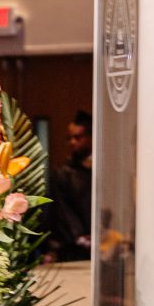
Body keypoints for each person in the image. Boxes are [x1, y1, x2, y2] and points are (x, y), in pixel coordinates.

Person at [45, 111, 92, 263]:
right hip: (73, 248)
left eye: (77, 137)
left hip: (105, 245)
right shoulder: (63, 173)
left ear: (91, 137)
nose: (72, 142)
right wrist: (80, 237)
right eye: (69, 138)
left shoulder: (105, 170)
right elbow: (62, 210)